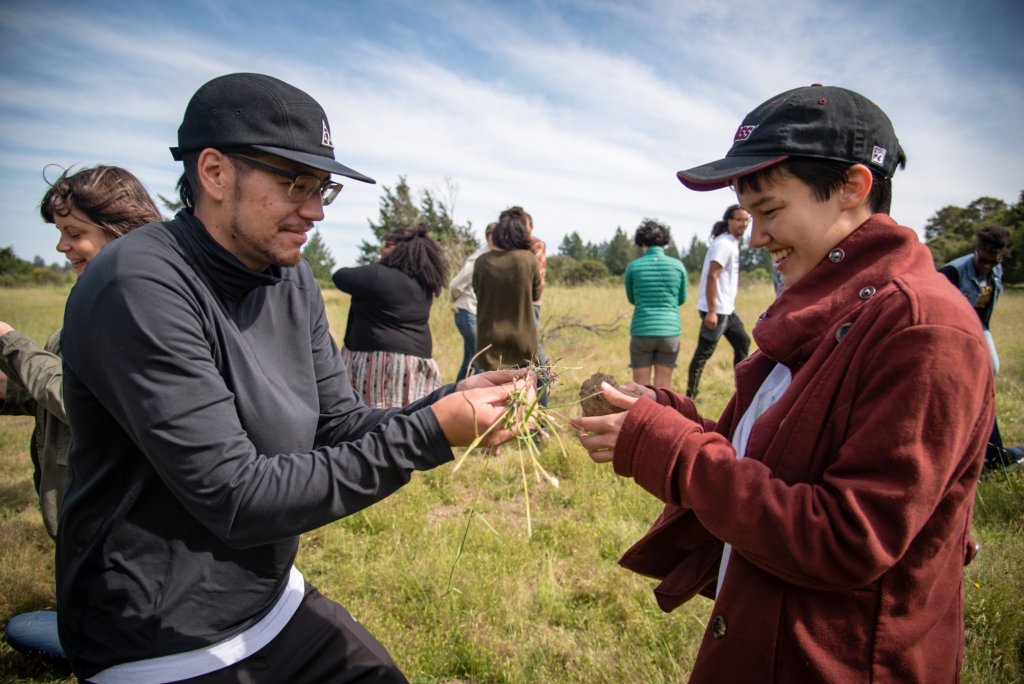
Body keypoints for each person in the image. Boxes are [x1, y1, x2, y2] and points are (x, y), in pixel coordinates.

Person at [55, 72, 532, 683]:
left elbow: (338, 422)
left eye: (322, 189)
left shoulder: (290, 276)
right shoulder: (140, 284)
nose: (313, 211)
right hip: (159, 636)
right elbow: (236, 497)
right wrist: (432, 433)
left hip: (269, 600)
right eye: (294, 184)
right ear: (214, 172)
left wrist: (445, 404)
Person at [572, 84, 993, 683]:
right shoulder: (828, 308)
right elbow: (772, 460)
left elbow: (848, 537)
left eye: (771, 211)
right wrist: (667, 418)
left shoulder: (922, 329)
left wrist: (671, 450)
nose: (758, 236)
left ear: (852, 188)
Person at [1, 165, 161, 668]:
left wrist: (10, 343)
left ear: (120, 231)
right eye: (60, 234)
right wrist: (12, 393)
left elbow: (81, 398)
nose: (63, 247)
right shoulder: (100, 292)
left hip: (121, 529)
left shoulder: (135, 302)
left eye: (75, 234)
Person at [333, 225, 448, 408]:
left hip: (380, 361)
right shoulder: (424, 281)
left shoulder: (379, 276)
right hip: (415, 360)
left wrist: (380, 264)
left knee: (375, 415)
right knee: (409, 414)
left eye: (387, 245)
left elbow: (340, 276)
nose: (382, 250)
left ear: (401, 248)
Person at [940, 225, 1023, 470]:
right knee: (974, 384)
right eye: (983, 261)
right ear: (977, 250)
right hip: (956, 330)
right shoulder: (953, 271)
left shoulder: (997, 270)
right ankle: (990, 454)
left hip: (979, 327)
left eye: (993, 262)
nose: (987, 266)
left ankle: (990, 452)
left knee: (990, 374)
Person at [685, 204, 752, 399]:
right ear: (729, 221)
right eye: (739, 219)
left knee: (743, 342)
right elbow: (712, 276)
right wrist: (712, 311)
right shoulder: (723, 244)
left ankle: (742, 392)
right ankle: (691, 395)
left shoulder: (731, 243)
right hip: (717, 310)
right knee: (704, 353)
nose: (744, 224)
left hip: (727, 310)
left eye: (747, 220)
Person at [473, 208, 542, 375]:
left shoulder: (481, 262)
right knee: (533, 391)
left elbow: (477, 292)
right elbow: (536, 295)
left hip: (487, 349)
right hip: (523, 347)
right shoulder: (527, 259)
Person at [623, 218, 688, 389]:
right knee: (663, 386)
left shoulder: (633, 267)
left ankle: (641, 416)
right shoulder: (678, 266)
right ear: (664, 242)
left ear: (643, 243)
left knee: (640, 388)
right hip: (670, 331)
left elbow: (632, 299)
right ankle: (662, 416)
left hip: (642, 329)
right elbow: (681, 299)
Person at [449, 222, 495, 382]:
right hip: (467, 312)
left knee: (468, 361)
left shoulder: (492, 258)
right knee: (482, 361)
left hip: (474, 315)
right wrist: (453, 301)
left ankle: (453, 396)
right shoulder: (478, 258)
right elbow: (455, 284)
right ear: (488, 237)